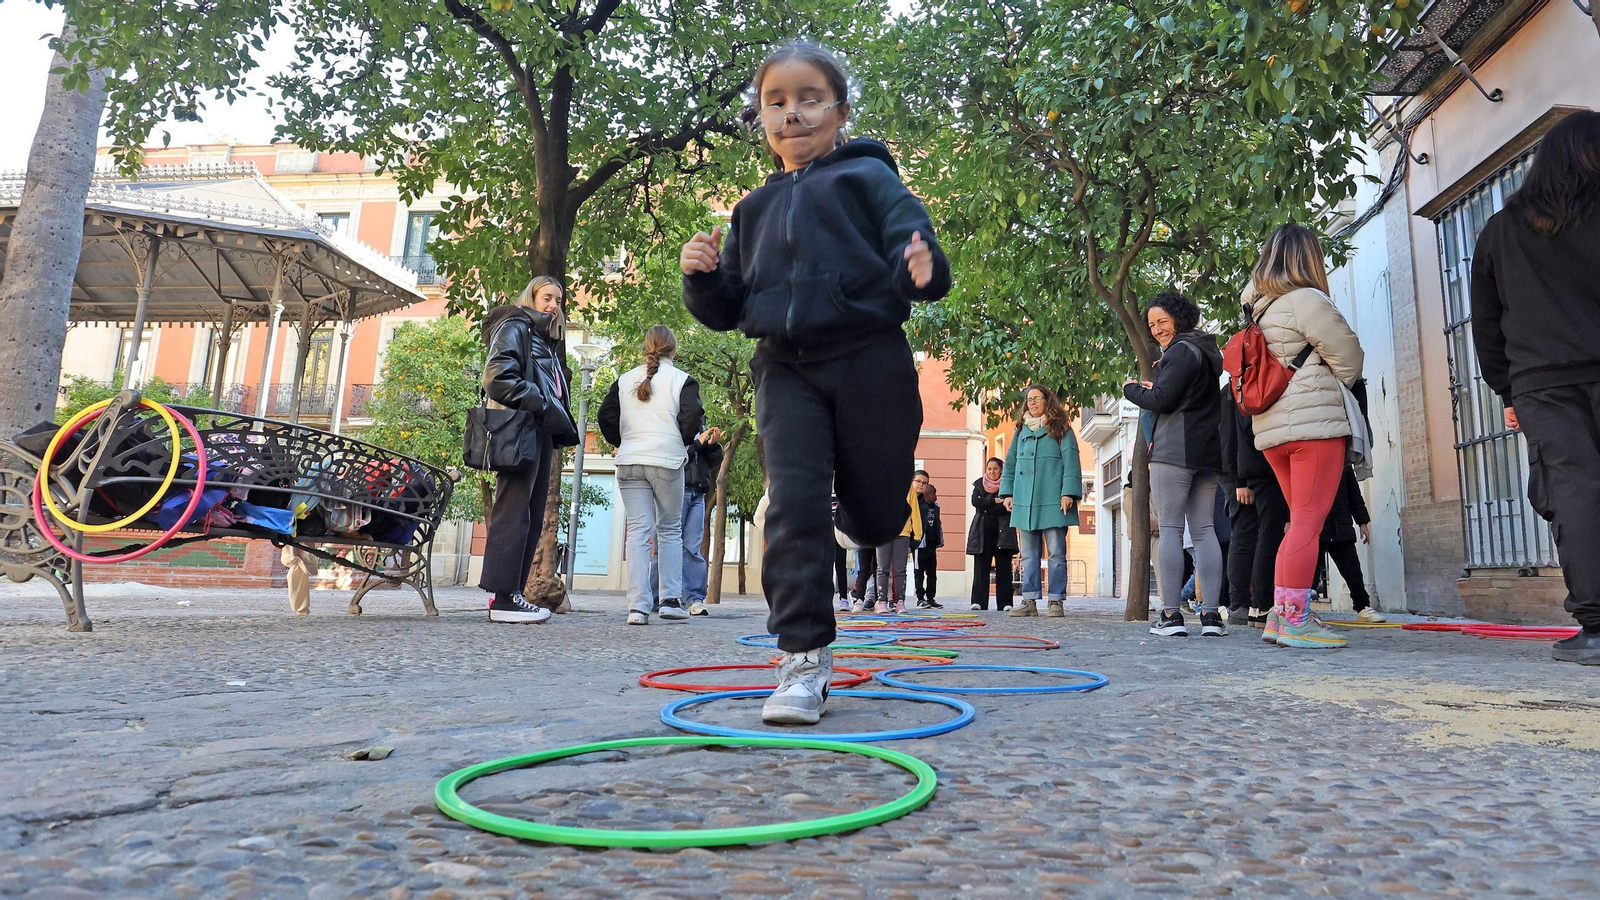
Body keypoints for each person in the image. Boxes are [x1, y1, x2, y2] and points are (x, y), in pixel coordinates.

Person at [681, 41, 951, 724]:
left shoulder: (869, 179)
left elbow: (910, 239)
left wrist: (920, 267)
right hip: (785, 367)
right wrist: (702, 278)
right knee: (792, 501)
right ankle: (802, 660)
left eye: (809, 99)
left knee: (878, 511)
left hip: (869, 359)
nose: (792, 113)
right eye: (776, 102)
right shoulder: (751, 209)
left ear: (840, 112)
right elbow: (728, 307)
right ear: (762, 118)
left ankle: (862, 516)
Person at [1470, 112, 1600, 665]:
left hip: (1543, 385)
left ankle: (1596, 626)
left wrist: (1509, 390)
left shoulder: (1501, 232)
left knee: (1573, 491)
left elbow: (1486, 323)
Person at [1243, 223, 1365, 649]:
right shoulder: (1307, 300)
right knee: (1308, 525)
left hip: (1272, 430)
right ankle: (1295, 620)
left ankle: (1281, 616)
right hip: (1314, 426)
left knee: (1298, 524)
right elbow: (1351, 360)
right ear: (1308, 259)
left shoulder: (1257, 309)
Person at [1124, 292, 1227, 637]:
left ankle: (1171, 615)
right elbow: (1182, 396)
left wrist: (1131, 390)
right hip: (1206, 450)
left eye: (1162, 321)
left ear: (1179, 318)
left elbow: (1162, 400)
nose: (1156, 330)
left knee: (1169, 528)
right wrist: (1159, 387)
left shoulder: (1180, 351)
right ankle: (1211, 617)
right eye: (1152, 324)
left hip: (1173, 450)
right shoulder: (1206, 351)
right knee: (1205, 531)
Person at [478, 276, 579, 624]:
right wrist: (543, 402)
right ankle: (503, 599)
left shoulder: (543, 337)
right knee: (513, 513)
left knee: (531, 515)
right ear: (531, 298)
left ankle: (513, 595)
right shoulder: (516, 327)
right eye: (547, 297)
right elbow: (497, 378)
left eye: (558, 300)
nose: (553, 305)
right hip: (520, 428)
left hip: (538, 431)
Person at [598, 325, 705, 625]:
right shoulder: (683, 380)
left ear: (646, 348)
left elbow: (605, 415)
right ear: (674, 350)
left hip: (630, 461)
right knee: (669, 529)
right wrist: (680, 442)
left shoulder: (624, 380)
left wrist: (623, 441)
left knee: (637, 532)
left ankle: (637, 607)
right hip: (666, 461)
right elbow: (692, 417)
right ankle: (670, 601)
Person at [999, 385, 1082, 618]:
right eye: (1029, 400)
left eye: (1037, 398)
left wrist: (1068, 492)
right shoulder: (1020, 430)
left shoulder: (1061, 428)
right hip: (1025, 500)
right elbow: (1011, 462)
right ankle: (1029, 600)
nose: (1032, 403)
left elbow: (1071, 461)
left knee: (1056, 553)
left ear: (1047, 400)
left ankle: (1056, 601)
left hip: (1053, 499)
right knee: (1028, 554)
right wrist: (1008, 493)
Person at [1219, 382, 1290, 630]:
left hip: (1244, 469)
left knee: (1253, 534)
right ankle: (1243, 605)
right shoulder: (1236, 388)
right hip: (1241, 470)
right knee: (1246, 533)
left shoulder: (1241, 385)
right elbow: (1231, 435)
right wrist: (1239, 480)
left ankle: (1249, 606)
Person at [649, 421, 725, 617]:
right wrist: (698, 444)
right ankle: (655, 599)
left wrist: (712, 446)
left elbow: (711, 463)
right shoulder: (670, 420)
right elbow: (672, 456)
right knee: (664, 545)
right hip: (674, 490)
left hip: (698, 492)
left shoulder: (699, 424)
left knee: (692, 547)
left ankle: (693, 599)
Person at [1313, 464, 1382, 622]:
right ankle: (1303, 611)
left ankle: (1363, 607)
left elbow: (1354, 495)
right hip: (1316, 529)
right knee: (1309, 575)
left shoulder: (1343, 465)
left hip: (1341, 527)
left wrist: (1363, 522)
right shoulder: (1310, 461)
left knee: (1353, 572)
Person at [967, 457, 1018, 611]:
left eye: (995, 469)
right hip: (982, 532)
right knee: (980, 568)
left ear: (1001, 470)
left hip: (1004, 532)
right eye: (989, 468)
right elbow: (975, 502)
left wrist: (987, 506)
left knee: (1004, 567)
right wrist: (995, 501)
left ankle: (1005, 603)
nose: (992, 472)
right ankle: (978, 602)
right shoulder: (979, 484)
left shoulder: (1008, 485)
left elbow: (1007, 507)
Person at [875, 479, 924, 614]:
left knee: (900, 569)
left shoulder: (908, 487)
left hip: (903, 533)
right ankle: (882, 601)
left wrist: (918, 534)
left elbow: (914, 510)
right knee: (882, 568)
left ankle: (899, 601)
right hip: (883, 532)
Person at [913, 477, 944, 609]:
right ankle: (920, 598)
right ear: (927, 495)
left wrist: (939, 540)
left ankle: (931, 597)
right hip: (919, 545)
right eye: (934, 494)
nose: (936, 497)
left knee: (932, 573)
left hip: (931, 545)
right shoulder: (919, 506)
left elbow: (938, 524)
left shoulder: (936, 507)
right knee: (919, 573)